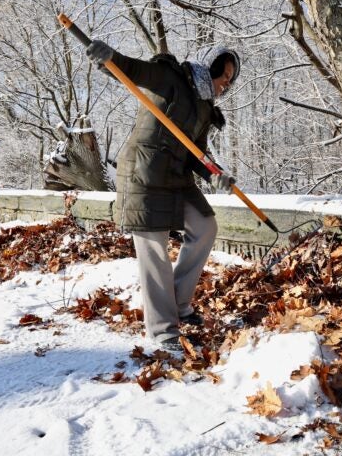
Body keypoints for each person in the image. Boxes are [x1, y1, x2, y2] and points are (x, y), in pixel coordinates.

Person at [86, 39, 239, 350]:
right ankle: (163, 329)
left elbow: (198, 154)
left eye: (229, 81)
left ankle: (179, 303)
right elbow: (133, 71)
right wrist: (109, 57)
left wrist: (215, 175)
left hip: (175, 178)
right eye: (224, 77)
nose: (226, 85)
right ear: (208, 68)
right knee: (154, 249)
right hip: (143, 174)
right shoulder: (171, 78)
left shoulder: (204, 108)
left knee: (205, 225)